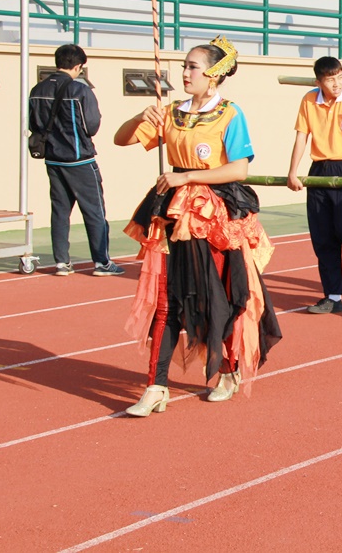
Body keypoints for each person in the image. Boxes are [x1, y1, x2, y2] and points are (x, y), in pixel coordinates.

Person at [114, 36, 282, 415]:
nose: (185, 73)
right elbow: (120, 139)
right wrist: (140, 117)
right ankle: (156, 386)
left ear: (214, 75)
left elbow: (239, 169)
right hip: (171, 214)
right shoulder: (171, 112)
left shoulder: (229, 114)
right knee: (165, 300)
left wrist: (187, 176)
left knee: (215, 296)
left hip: (213, 215)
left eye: (193, 67)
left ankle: (228, 369)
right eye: (185, 66)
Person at [286, 56, 342, 314]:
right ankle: (333, 296)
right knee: (323, 237)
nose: (337, 84)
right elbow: (301, 137)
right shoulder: (309, 100)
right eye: (330, 79)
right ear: (318, 82)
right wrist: (293, 172)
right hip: (319, 170)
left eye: (340, 77)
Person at [28, 44, 123, 277]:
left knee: (60, 211)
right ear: (79, 66)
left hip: (53, 159)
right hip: (79, 159)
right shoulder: (80, 90)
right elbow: (91, 126)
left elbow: (33, 124)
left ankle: (62, 262)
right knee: (94, 212)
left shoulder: (37, 90)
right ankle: (102, 262)